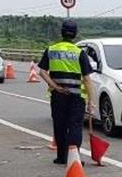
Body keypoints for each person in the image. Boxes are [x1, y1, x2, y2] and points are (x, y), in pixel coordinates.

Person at [38, 20, 93, 164]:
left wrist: (55, 86)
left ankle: (62, 157)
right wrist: (91, 101)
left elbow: (42, 72)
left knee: (60, 125)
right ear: (75, 34)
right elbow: (87, 79)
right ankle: (74, 158)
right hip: (77, 97)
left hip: (58, 96)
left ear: (61, 32)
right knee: (75, 126)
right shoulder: (79, 53)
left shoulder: (51, 50)